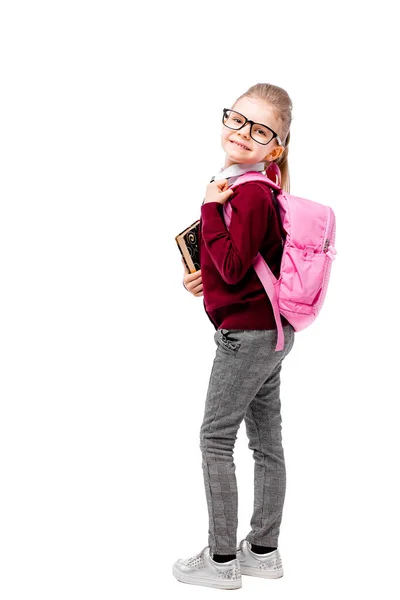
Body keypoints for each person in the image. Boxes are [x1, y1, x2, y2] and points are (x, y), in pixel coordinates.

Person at [173, 83, 296, 590]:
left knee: (215, 439)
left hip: (245, 335)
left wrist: (207, 207)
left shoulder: (246, 191)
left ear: (276, 146)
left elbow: (229, 259)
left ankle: (222, 560)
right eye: (237, 119)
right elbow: (232, 267)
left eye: (260, 129)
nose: (244, 133)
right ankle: (262, 551)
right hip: (272, 331)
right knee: (266, 441)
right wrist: (196, 276)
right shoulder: (251, 185)